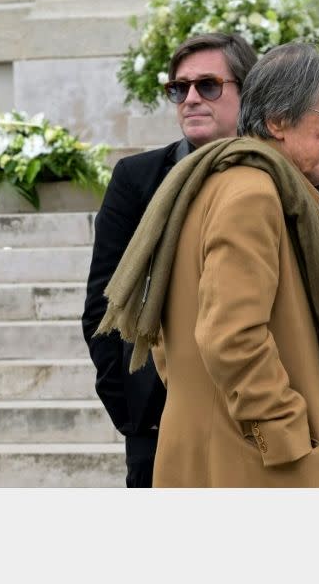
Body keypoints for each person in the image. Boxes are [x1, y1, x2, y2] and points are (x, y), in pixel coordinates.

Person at [94, 42, 319, 487]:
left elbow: (166, 334)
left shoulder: (213, 182)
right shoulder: (253, 194)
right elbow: (230, 337)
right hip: (257, 467)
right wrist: (283, 432)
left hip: (225, 450)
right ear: (278, 120)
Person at [82, 33, 257, 487]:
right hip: (160, 420)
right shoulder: (136, 179)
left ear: (248, 90)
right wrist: (133, 414)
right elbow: (104, 306)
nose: (191, 99)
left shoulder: (279, 177)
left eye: (208, 85)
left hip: (254, 415)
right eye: (180, 89)